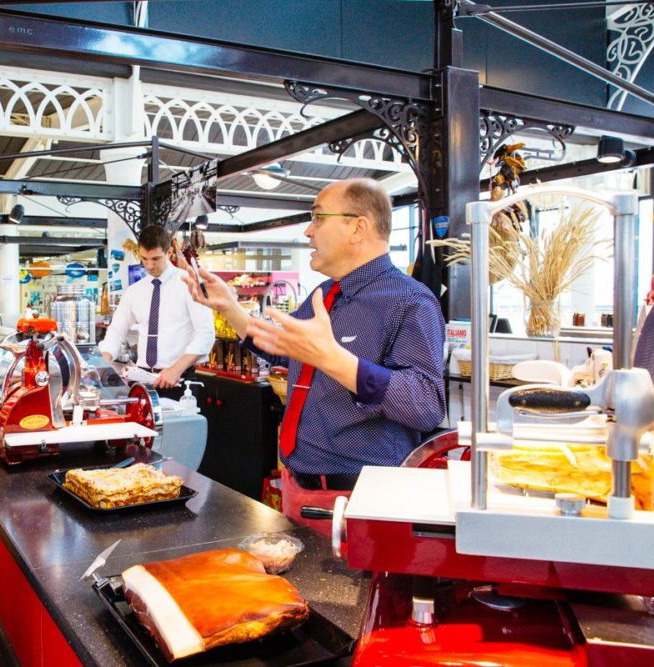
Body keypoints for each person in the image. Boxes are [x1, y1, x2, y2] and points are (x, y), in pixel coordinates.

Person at [183, 178, 446, 532]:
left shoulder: (411, 301)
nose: (308, 231)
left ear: (358, 227)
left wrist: (335, 360)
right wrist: (231, 309)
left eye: (318, 218)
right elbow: (285, 350)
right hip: (298, 488)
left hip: (358, 501)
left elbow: (426, 405)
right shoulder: (324, 294)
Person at [98, 225, 214, 399]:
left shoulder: (189, 284)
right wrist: (101, 364)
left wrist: (176, 369)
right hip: (142, 379)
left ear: (169, 253)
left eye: (155, 258)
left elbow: (206, 333)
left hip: (178, 379)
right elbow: (116, 331)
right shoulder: (134, 291)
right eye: (144, 258)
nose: (149, 265)